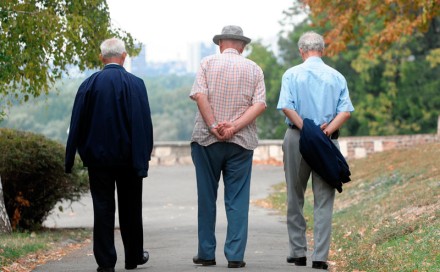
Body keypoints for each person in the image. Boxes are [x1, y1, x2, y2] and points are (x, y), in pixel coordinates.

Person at [65, 38, 153, 272]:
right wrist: (145, 156)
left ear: (102, 57)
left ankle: (106, 263)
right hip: (129, 158)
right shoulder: (136, 84)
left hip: (98, 160)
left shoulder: (88, 84)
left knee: (102, 208)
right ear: (124, 56)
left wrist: (71, 156)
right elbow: (145, 123)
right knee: (131, 208)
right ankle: (133, 256)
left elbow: (77, 123)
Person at [189, 25, 266, 269]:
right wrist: (233, 127)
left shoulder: (207, 63)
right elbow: (259, 105)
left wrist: (214, 126)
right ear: (242, 46)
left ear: (221, 44)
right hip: (241, 143)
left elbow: (200, 95)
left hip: (206, 140)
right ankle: (235, 256)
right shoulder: (254, 68)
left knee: (206, 198)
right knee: (238, 200)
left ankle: (206, 253)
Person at [276, 31, 354, 270]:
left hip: (297, 138)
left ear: (301, 51)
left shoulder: (291, 74)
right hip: (327, 141)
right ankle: (320, 257)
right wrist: (325, 131)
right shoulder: (337, 76)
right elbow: (346, 111)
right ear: (323, 50)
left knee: (294, 196)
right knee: (323, 200)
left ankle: (298, 252)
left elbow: (286, 107)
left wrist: (307, 129)